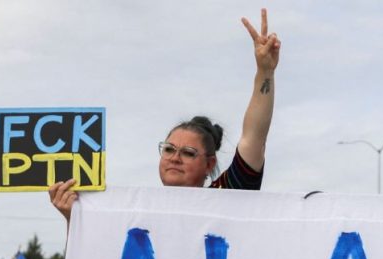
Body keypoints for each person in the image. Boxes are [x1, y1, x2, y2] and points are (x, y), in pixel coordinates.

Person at [48, 8, 281, 222]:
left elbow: (254, 138)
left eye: (188, 153)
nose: (174, 158)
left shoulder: (228, 195)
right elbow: (100, 251)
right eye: (169, 149)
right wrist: (73, 218)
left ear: (210, 164)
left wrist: (265, 72)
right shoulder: (138, 214)